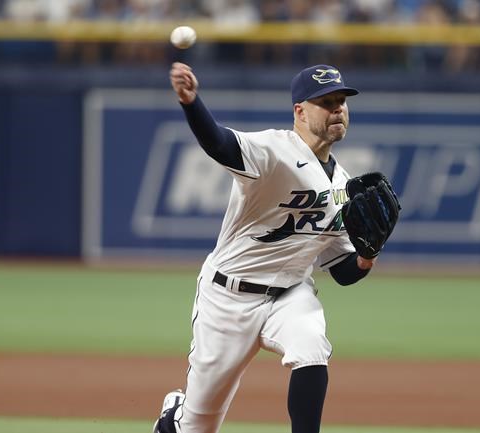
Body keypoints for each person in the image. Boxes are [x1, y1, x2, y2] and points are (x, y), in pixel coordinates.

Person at [153, 62, 378, 433]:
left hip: (290, 294)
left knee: (311, 347)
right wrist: (191, 102)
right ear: (300, 112)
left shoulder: (343, 185)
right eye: (326, 102)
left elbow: (342, 270)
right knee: (198, 425)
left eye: (341, 101)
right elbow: (220, 144)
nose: (337, 108)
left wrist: (367, 256)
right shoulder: (273, 150)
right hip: (227, 298)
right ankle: (174, 416)